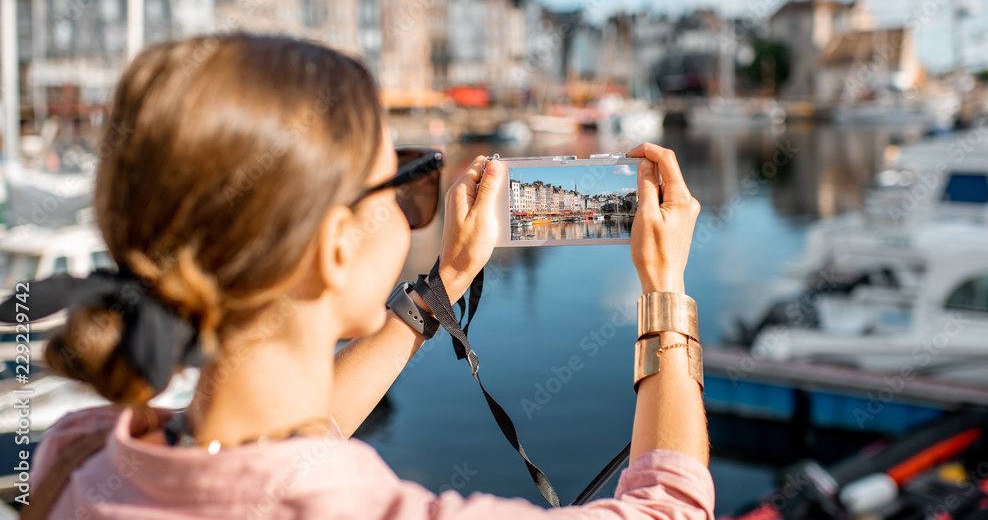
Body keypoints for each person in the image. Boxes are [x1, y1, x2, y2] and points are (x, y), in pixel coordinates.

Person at [26, 34, 712, 519]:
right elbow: (672, 509)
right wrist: (665, 288)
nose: (422, 200)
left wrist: (443, 282)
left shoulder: (80, 453)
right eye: (407, 181)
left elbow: (281, 448)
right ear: (333, 247)